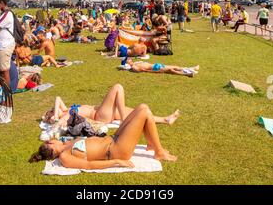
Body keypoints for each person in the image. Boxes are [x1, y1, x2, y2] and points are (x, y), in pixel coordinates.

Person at [30, 104, 178, 167]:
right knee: (144, 112)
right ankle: (159, 152)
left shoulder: (66, 143)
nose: (53, 139)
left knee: (142, 108)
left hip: (113, 139)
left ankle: (153, 144)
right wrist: (117, 162)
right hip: (116, 150)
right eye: (51, 141)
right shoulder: (65, 157)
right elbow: (89, 165)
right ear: (50, 145)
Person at [43, 84, 180, 127]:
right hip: (100, 115)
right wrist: (55, 118)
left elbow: (58, 98)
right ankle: (123, 121)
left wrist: (55, 112)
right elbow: (58, 123)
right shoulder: (65, 117)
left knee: (138, 112)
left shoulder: (65, 110)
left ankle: (165, 119)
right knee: (118, 88)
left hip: (104, 112)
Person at [125, 59, 200, 77]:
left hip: (156, 65)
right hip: (155, 68)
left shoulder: (136, 62)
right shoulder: (134, 67)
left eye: (129, 59)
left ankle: (192, 68)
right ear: (128, 63)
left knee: (176, 67)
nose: (129, 60)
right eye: (128, 61)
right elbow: (145, 70)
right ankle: (188, 74)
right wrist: (156, 71)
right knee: (171, 70)